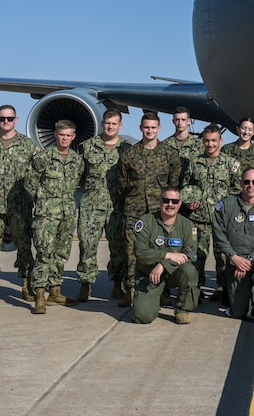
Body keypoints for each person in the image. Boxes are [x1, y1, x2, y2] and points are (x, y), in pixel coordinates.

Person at [116, 111, 182, 307]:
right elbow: (122, 183)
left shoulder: (169, 154)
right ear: (141, 128)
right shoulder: (129, 155)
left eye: (153, 127)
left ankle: (160, 290)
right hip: (134, 209)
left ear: (159, 129)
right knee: (132, 250)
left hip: (158, 210)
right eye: (146, 127)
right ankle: (132, 289)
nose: (150, 131)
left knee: (160, 248)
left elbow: (173, 183)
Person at [0, 104, 39, 303]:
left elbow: (36, 173)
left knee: (25, 246)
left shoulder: (28, 146)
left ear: (16, 120)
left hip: (20, 206)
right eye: (2, 118)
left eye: (9, 118)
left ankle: (26, 286)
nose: (6, 122)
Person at [212, 167, 254, 328]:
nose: (251, 185)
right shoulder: (226, 205)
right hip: (235, 259)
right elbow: (218, 234)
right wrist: (234, 257)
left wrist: (249, 260)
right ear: (241, 183)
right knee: (238, 312)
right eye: (247, 181)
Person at [27, 120, 84, 314]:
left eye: (69, 135)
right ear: (55, 135)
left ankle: (55, 291)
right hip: (46, 214)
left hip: (67, 213)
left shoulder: (77, 160)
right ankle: (40, 296)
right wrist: (43, 201)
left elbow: (77, 183)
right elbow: (30, 183)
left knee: (61, 253)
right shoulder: (43, 157)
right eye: (62, 135)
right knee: (44, 253)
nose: (65, 138)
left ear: (73, 136)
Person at [76, 109, 131, 302]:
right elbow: (78, 177)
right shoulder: (87, 147)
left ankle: (117, 285)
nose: (110, 126)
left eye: (114, 123)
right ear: (102, 123)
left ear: (120, 125)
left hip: (116, 207)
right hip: (91, 205)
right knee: (87, 245)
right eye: (107, 123)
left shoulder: (127, 149)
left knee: (118, 247)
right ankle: (85, 285)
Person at [180, 124, 241, 293]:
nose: (210, 144)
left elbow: (237, 190)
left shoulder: (231, 164)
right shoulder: (194, 162)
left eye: (214, 140)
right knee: (198, 255)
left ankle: (223, 288)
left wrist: (229, 209)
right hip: (199, 218)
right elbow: (186, 185)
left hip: (223, 219)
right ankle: (196, 289)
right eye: (207, 141)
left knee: (223, 256)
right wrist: (189, 201)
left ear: (220, 141)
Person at [131, 187, 199, 324]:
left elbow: (189, 254)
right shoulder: (145, 222)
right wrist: (167, 255)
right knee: (142, 317)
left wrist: (163, 264)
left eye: (174, 201)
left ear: (180, 204)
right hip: (150, 276)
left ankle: (183, 309)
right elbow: (140, 252)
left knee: (190, 270)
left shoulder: (187, 225)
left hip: (174, 274)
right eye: (166, 200)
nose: (170, 205)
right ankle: (156, 296)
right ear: (160, 201)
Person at [220, 117, 254, 188]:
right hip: (231, 194)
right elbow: (220, 173)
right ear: (237, 129)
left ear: (253, 132)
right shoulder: (226, 150)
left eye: (250, 130)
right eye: (243, 128)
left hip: (252, 194)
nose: (246, 132)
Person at [161, 106, 201, 181]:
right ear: (173, 121)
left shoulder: (199, 145)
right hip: (170, 188)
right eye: (177, 120)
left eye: (183, 120)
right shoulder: (165, 145)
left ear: (189, 121)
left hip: (190, 189)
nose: (180, 123)